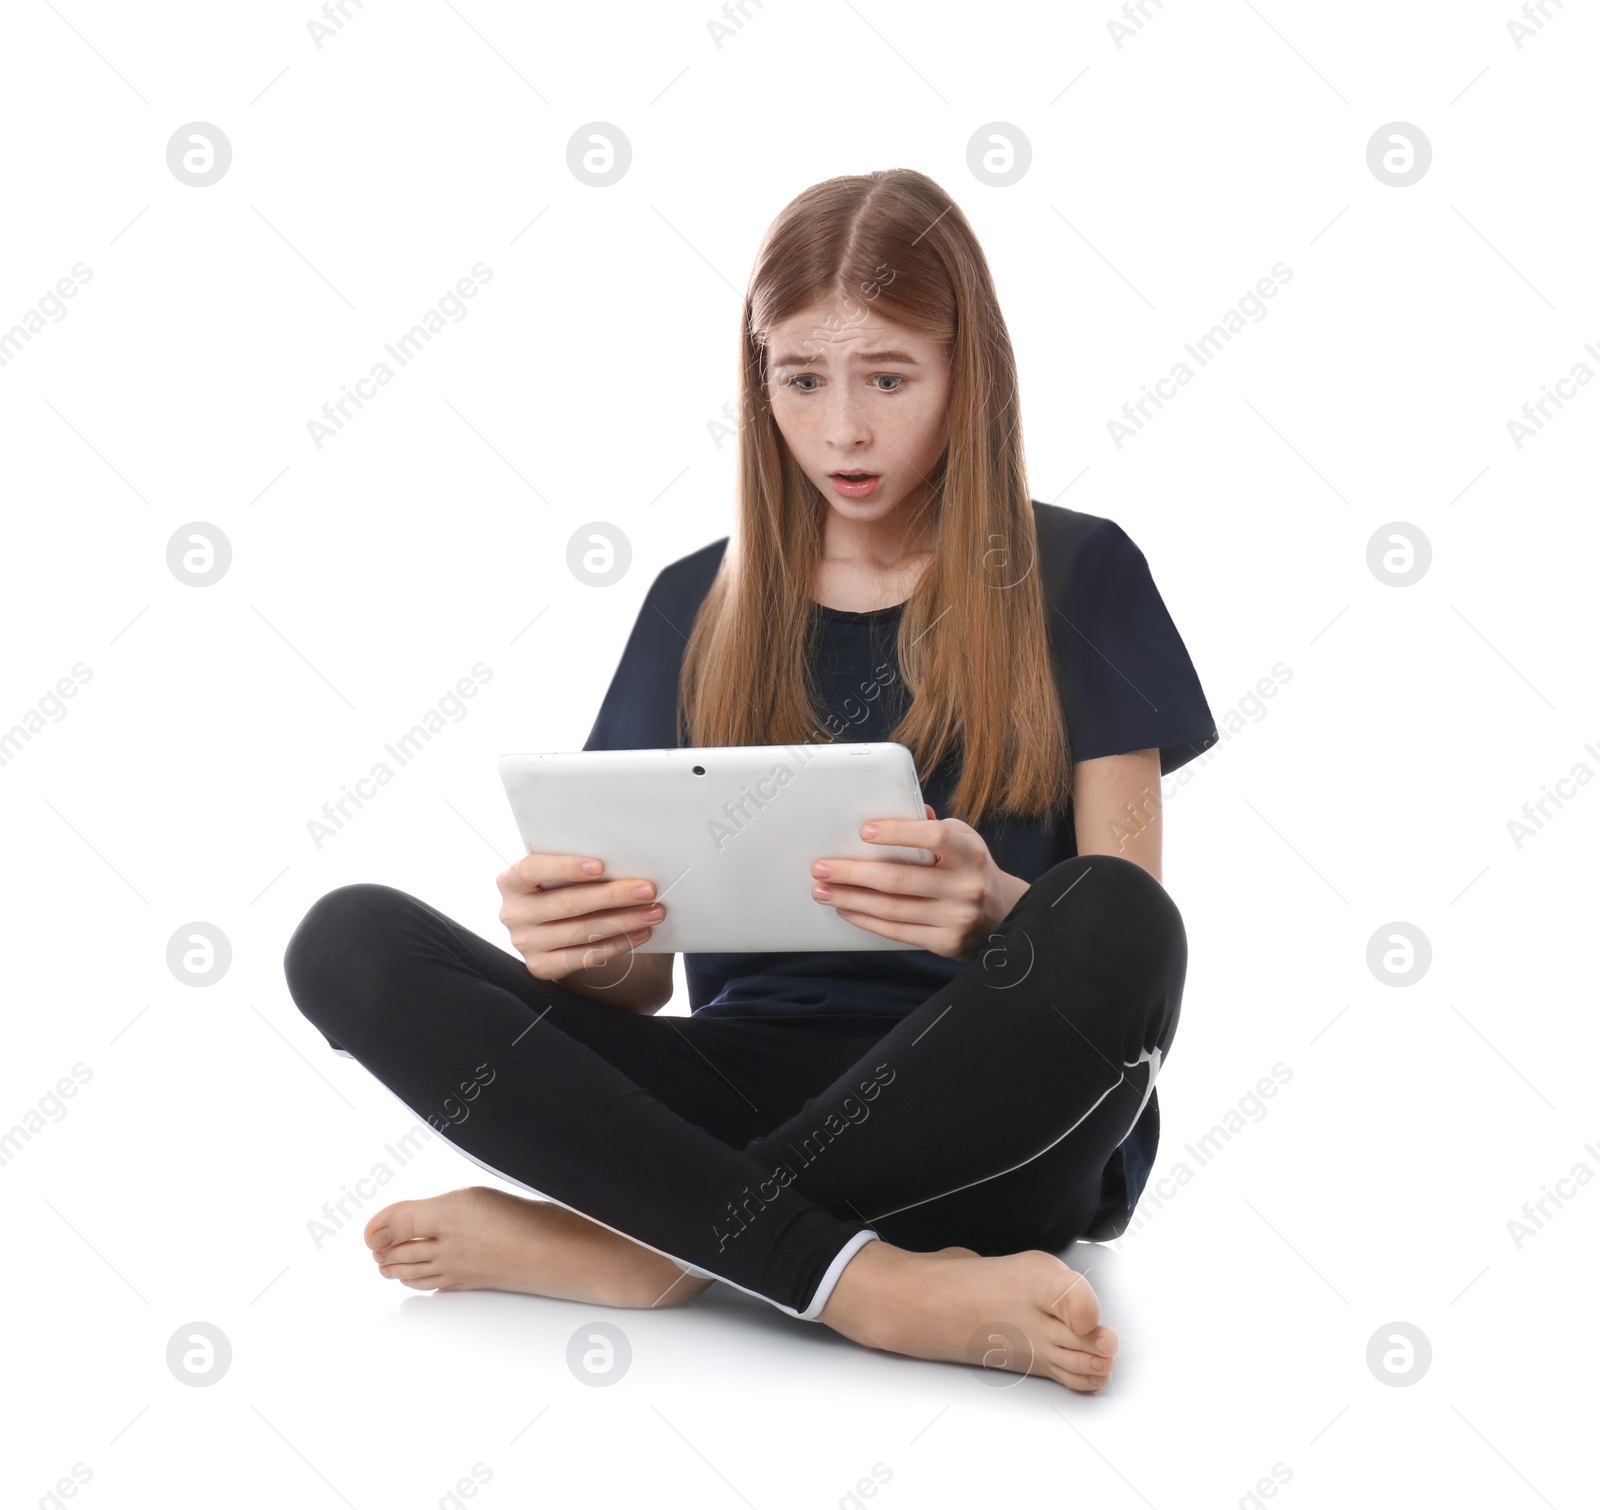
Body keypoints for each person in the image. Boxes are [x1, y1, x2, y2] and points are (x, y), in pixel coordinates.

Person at [283, 167, 1218, 1392]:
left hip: (1000, 1114)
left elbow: (1130, 941)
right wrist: (585, 944)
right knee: (344, 941)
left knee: (1115, 922)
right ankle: (862, 1283)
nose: (843, 431)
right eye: (801, 380)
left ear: (965, 373)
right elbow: (641, 983)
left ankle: (647, 1248)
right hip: (731, 1090)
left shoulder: (1081, 570)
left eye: (888, 377)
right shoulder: (694, 602)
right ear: (758, 377)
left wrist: (1002, 919)